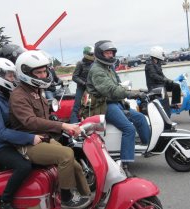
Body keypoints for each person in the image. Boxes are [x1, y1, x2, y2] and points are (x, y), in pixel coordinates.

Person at [10, 50, 92, 209]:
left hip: (42, 138)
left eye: (44, 71)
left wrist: (68, 125)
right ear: (26, 72)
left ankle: (87, 194)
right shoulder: (18, 95)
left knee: (74, 162)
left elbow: (46, 117)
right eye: (38, 72)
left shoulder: (35, 91)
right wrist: (62, 126)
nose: (43, 75)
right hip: (28, 144)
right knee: (66, 154)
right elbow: (30, 122)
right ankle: (67, 198)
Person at [84, 40, 151, 177]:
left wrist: (133, 92)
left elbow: (119, 85)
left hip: (115, 102)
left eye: (111, 53)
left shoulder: (108, 67)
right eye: (107, 53)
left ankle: (148, 146)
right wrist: (133, 94)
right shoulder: (97, 70)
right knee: (129, 128)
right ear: (100, 54)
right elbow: (111, 90)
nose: (110, 55)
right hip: (104, 105)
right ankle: (125, 164)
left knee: (139, 117)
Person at [0, 58, 40, 209]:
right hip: (0, 146)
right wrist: (30, 138)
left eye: (12, 75)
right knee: (24, 167)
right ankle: (5, 201)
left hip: (14, 140)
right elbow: (1, 132)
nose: (13, 79)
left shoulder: (5, 95)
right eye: (9, 76)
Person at [145, 46, 181, 117]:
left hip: (160, 84)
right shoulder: (149, 65)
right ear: (157, 54)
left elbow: (162, 76)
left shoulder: (157, 63)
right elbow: (154, 76)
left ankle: (174, 104)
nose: (163, 55)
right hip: (154, 86)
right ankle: (167, 116)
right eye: (162, 53)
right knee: (164, 95)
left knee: (176, 86)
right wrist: (166, 80)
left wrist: (169, 81)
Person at [69, 46, 95, 123]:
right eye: (91, 54)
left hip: (91, 88)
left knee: (93, 106)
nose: (93, 56)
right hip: (81, 88)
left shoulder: (94, 64)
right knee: (76, 107)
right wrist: (84, 83)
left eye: (94, 54)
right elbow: (74, 77)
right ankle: (73, 126)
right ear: (86, 54)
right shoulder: (80, 64)